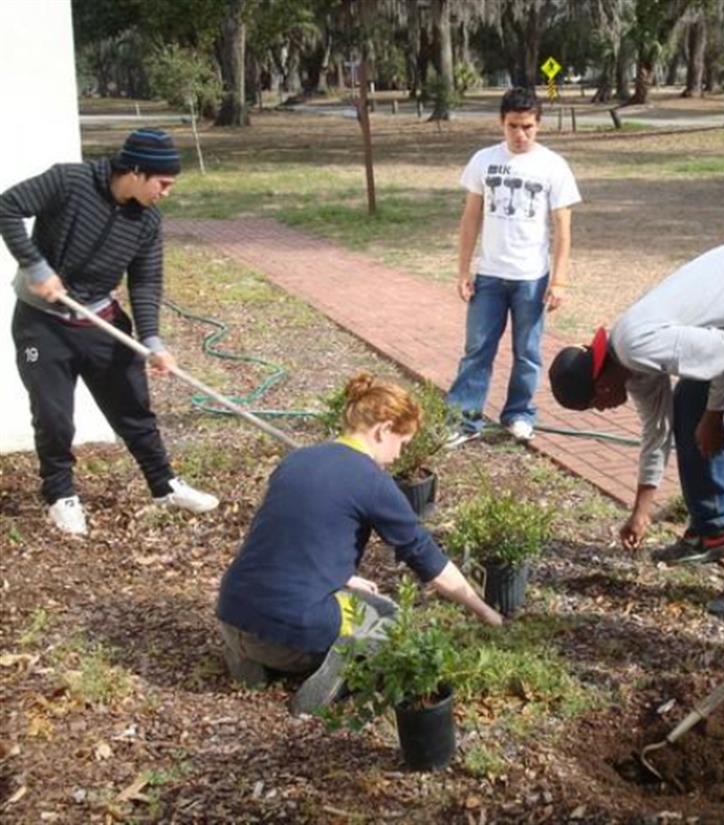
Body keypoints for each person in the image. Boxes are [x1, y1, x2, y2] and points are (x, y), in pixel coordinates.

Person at [548, 244, 724, 621]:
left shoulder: (636, 345)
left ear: (602, 386)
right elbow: (658, 431)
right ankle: (715, 530)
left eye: (597, 404)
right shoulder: (629, 365)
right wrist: (641, 513)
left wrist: (714, 416)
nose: (605, 409)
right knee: (686, 407)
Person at [216, 373, 503, 715]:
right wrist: (484, 611)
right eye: (403, 442)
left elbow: (292, 539)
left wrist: (343, 577)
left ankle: (250, 663)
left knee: (336, 598)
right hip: (290, 635)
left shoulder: (298, 459)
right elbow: (428, 560)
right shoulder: (371, 481)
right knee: (387, 621)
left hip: (231, 614)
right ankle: (321, 690)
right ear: (383, 429)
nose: (400, 456)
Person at [0, 128, 218, 536]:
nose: (166, 192)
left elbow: (146, 281)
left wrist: (152, 340)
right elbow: (7, 206)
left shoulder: (147, 220)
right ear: (135, 171)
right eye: (163, 183)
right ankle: (60, 495)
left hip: (98, 317)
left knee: (133, 406)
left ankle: (164, 485)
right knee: (54, 416)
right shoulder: (69, 182)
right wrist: (35, 266)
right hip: (41, 322)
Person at [444, 87, 581, 447]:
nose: (520, 135)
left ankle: (519, 414)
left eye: (528, 127)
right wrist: (463, 271)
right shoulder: (483, 161)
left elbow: (563, 229)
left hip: (531, 280)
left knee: (529, 353)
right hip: (489, 276)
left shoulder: (554, 166)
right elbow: (470, 219)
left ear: (539, 125)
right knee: (477, 350)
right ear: (501, 124)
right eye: (513, 127)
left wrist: (560, 279)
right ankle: (463, 419)